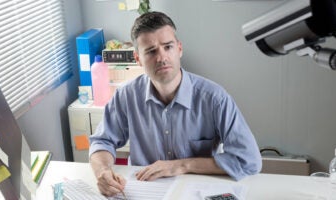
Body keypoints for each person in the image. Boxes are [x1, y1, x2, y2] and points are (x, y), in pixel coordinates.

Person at [89, 11, 262, 197]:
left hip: (197, 191)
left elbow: (249, 160)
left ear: (179, 49)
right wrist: (103, 171)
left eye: (168, 47)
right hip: (143, 191)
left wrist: (181, 165)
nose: (161, 57)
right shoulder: (125, 96)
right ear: (138, 58)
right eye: (151, 51)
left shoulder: (215, 98)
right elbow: (102, 141)